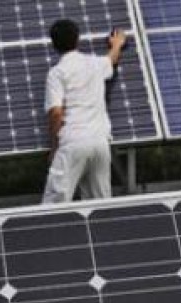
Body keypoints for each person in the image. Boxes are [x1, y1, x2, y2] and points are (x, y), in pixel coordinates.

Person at [42, 20, 126, 204]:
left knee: (52, 207)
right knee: (99, 207)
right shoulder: (95, 63)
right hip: (100, 143)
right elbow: (112, 58)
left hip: (73, 143)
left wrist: (54, 148)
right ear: (78, 39)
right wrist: (118, 44)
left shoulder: (57, 73)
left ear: (54, 45)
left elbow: (56, 113)